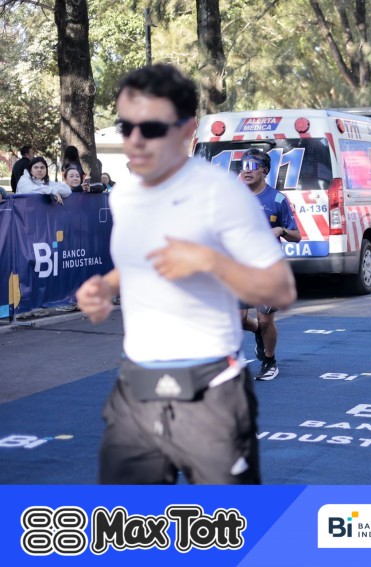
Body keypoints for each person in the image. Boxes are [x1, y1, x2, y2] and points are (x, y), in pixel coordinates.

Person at [74, 63, 297, 484]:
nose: (135, 140)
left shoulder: (224, 195)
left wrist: (208, 261)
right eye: (126, 127)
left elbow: (281, 288)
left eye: (151, 127)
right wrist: (106, 285)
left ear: (187, 130)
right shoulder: (126, 195)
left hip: (211, 385)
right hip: (138, 383)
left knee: (227, 522)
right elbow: (142, 262)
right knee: (127, 518)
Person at [238, 148, 302, 381]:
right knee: (239, 320)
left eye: (252, 166)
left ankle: (269, 360)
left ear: (264, 170)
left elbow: (297, 236)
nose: (246, 171)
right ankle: (257, 332)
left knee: (265, 318)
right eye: (243, 166)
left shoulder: (277, 199)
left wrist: (281, 230)